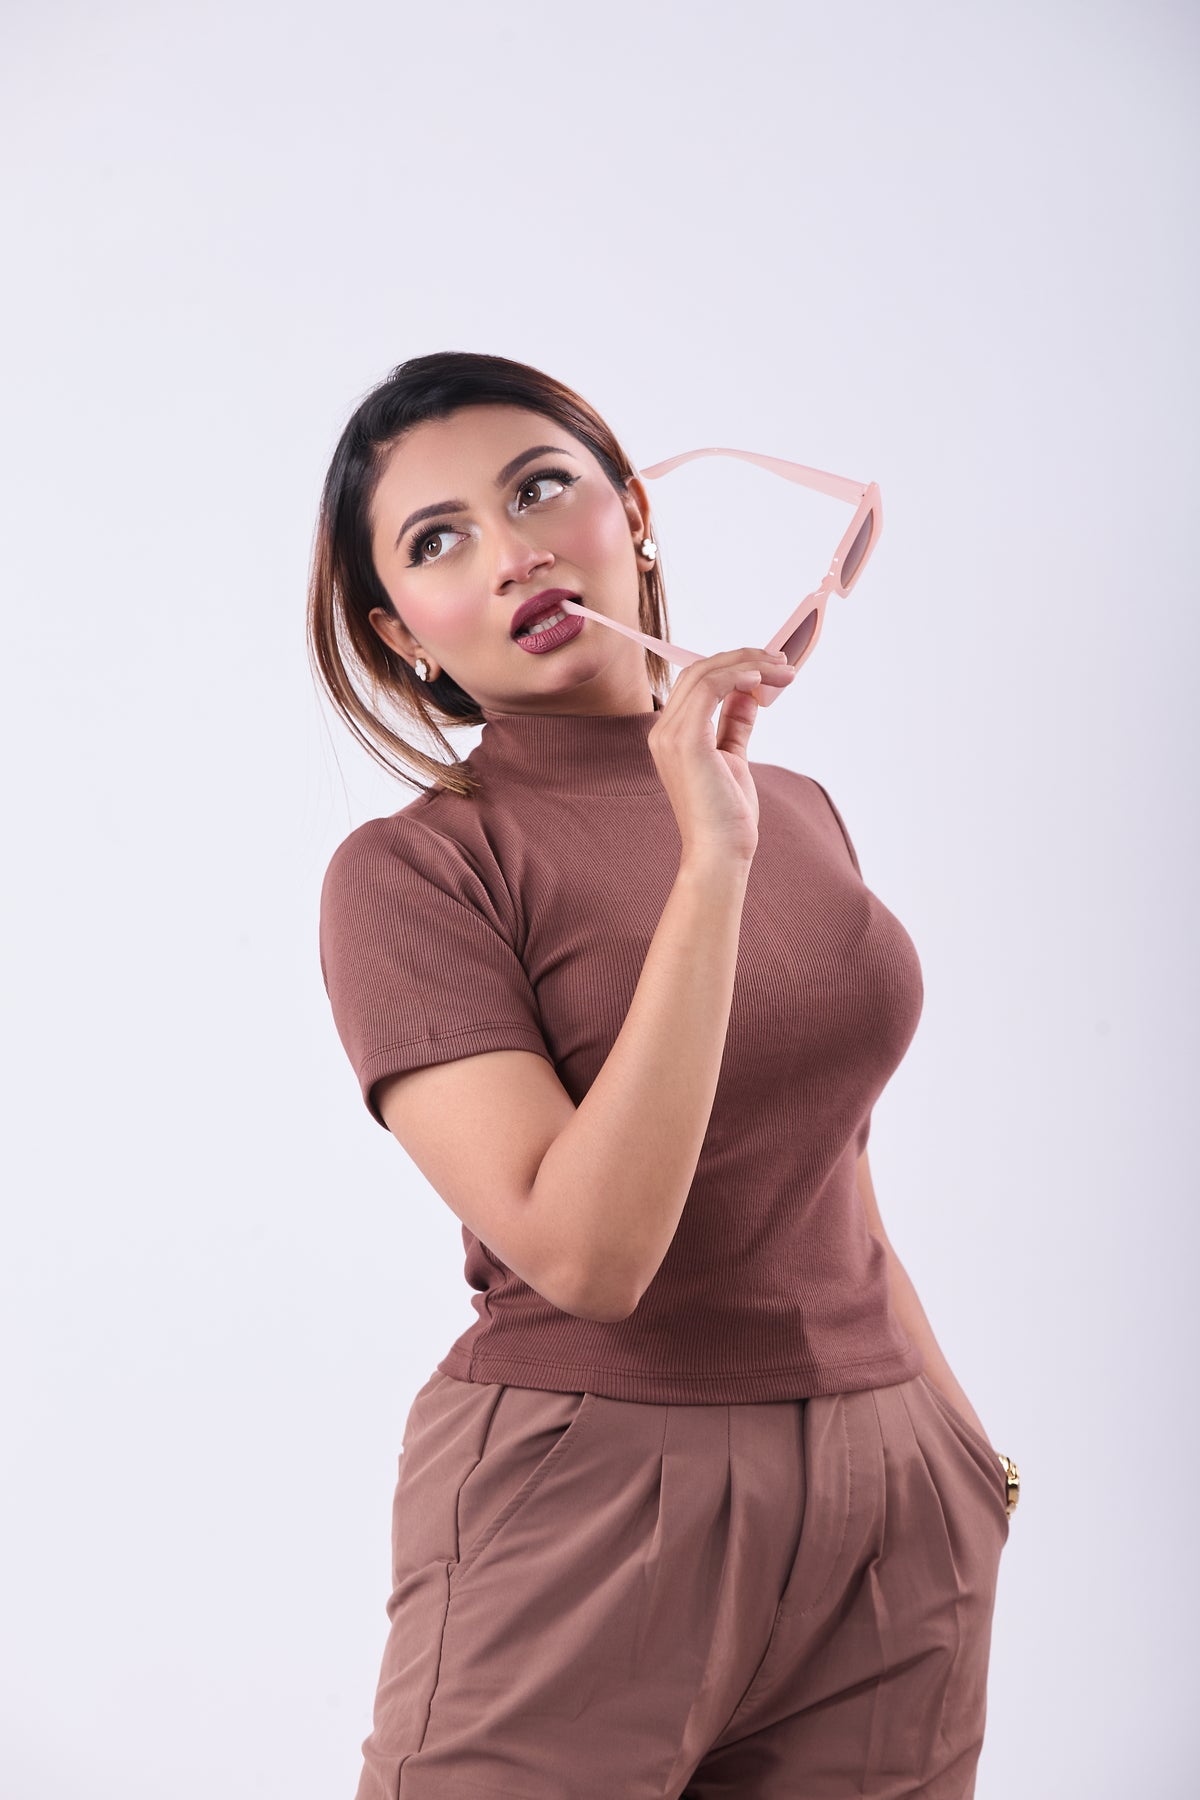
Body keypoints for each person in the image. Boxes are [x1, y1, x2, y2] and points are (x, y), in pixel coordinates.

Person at [309, 349, 1016, 1799]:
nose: (511, 553)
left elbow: (837, 1163)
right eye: (439, 542)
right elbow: (587, 1253)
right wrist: (711, 862)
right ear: (407, 637)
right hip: (591, 1497)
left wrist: (965, 1465)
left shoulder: (795, 808)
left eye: (540, 489)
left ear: (630, 512)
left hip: (891, 1501)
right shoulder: (419, 874)